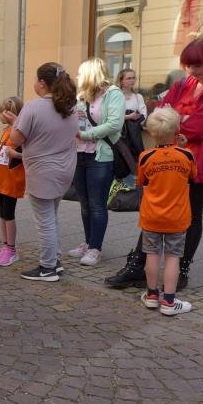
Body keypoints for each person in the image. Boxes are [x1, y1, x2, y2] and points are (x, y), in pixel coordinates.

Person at [107, 38, 203, 291]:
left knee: (191, 215)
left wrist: (174, 119)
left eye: (197, 65)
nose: (192, 70)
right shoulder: (184, 84)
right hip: (167, 157)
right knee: (154, 210)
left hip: (198, 163)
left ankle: (181, 270)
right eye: (189, 65)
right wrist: (177, 119)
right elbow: (159, 115)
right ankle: (138, 266)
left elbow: (198, 126)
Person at [9, 63, 78, 281]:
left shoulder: (33, 106)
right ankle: (54, 261)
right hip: (65, 168)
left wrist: (14, 123)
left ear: (42, 83)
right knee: (51, 216)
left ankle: (47, 267)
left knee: (45, 221)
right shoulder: (70, 106)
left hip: (42, 171)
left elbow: (16, 139)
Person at [137, 107, 196, 316]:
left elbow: (142, 181)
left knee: (152, 255)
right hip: (177, 217)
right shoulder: (187, 155)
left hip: (151, 216)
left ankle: (152, 296)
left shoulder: (145, 157)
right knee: (173, 257)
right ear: (176, 131)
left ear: (152, 132)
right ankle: (169, 301)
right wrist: (181, 147)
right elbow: (192, 177)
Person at [69, 58, 125, 266]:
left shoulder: (113, 94)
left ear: (90, 74)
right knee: (84, 203)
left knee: (97, 204)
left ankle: (95, 248)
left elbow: (114, 124)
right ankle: (88, 242)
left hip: (101, 155)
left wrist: (86, 134)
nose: (77, 77)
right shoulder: (82, 96)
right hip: (80, 153)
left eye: (80, 73)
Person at [0, 97, 25, 267]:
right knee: (2, 214)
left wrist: (15, 154)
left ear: (10, 113)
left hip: (12, 178)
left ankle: (11, 249)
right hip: (1, 177)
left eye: (1, 112)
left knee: (9, 214)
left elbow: (28, 154)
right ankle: (5, 246)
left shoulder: (20, 132)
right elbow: (6, 149)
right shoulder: (6, 130)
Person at [117, 69, 147, 181]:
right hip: (118, 135)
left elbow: (144, 114)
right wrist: (129, 117)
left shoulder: (138, 96)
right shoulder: (115, 96)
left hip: (134, 136)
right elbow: (111, 117)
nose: (132, 80)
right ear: (121, 80)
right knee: (121, 161)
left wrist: (136, 120)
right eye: (129, 78)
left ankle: (132, 185)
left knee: (134, 159)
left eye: (133, 78)